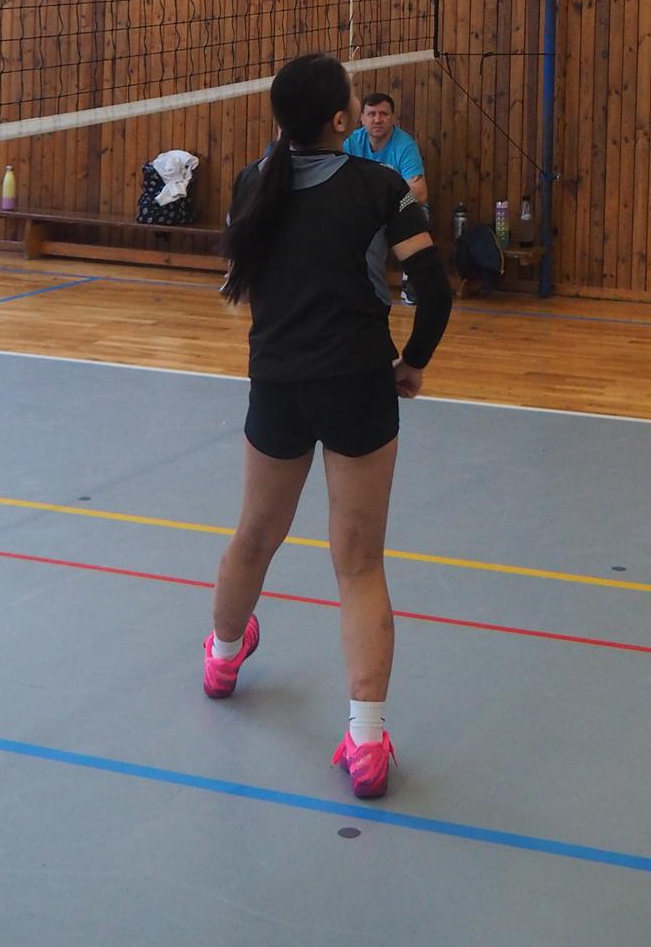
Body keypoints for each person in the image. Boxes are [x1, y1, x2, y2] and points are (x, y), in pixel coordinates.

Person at [203, 52, 452, 801]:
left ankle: (222, 657)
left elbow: (243, 278)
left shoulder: (252, 181)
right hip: (357, 386)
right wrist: (413, 363)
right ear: (342, 120)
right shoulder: (379, 186)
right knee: (360, 564)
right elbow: (435, 290)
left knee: (254, 535)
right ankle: (366, 742)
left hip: (278, 386)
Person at [345, 92, 427, 303]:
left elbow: (419, 192)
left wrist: (386, 203)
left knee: (418, 213)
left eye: (383, 114)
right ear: (361, 118)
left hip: (398, 208)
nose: (377, 119)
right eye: (371, 114)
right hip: (362, 210)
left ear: (392, 117)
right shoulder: (350, 142)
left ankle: (412, 281)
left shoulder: (405, 145)